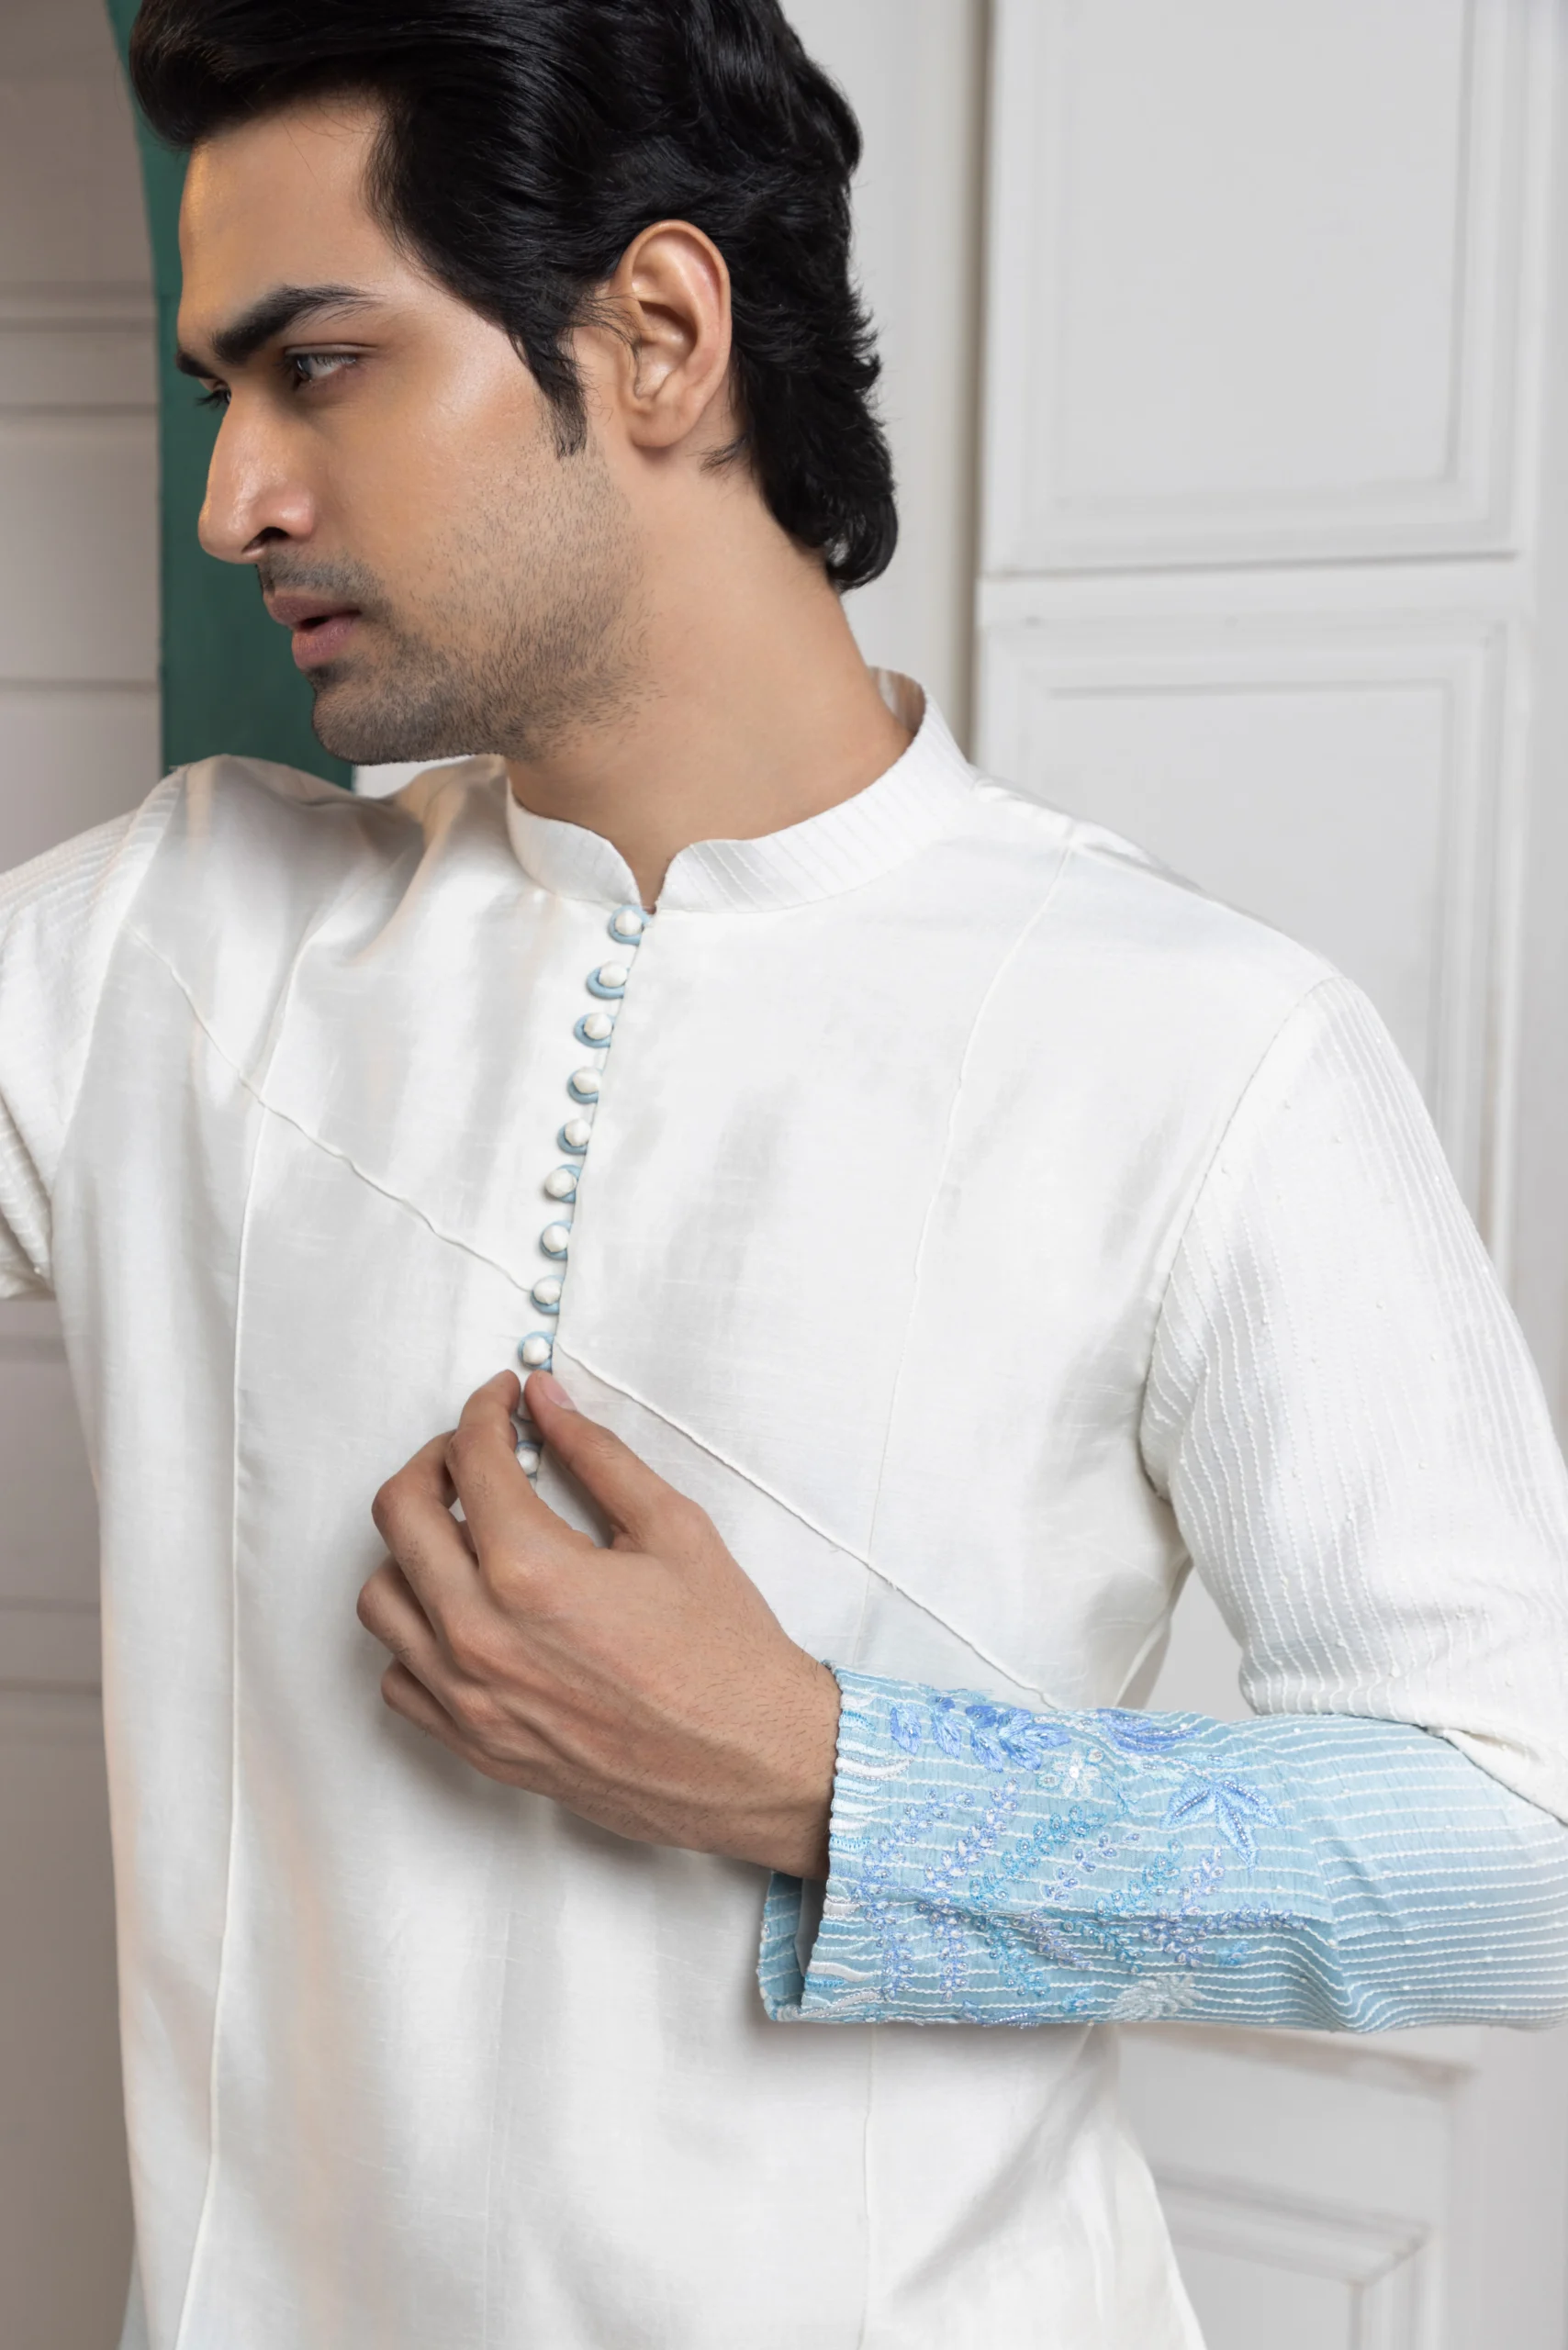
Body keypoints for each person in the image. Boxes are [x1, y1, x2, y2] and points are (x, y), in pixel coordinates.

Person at [2, 2, 1566, 2343]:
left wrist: (828, 1778)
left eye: (317, 368)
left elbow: (1515, 1847)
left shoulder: (1192, 1040)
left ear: (654, 334)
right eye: (223, 394)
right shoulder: (162, 939)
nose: (234, 500)